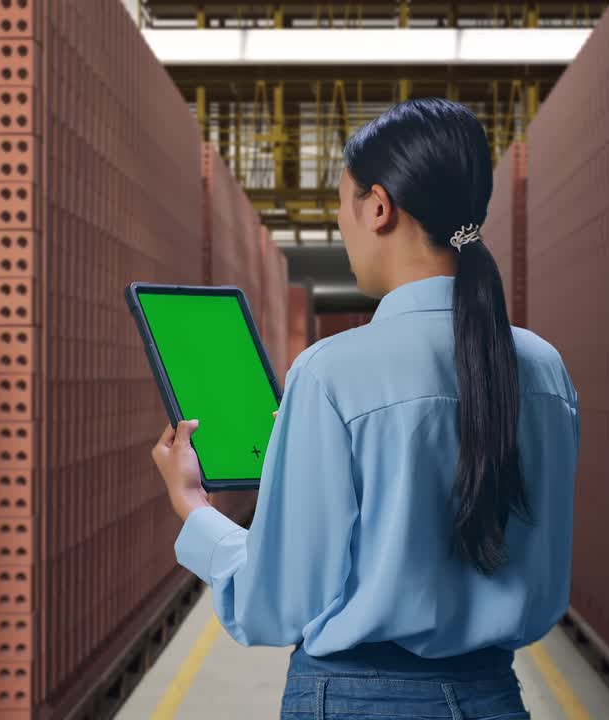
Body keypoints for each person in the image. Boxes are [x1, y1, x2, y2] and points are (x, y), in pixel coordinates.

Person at [151, 97, 579, 720]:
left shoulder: (330, 374)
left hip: (355, 700)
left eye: (344, 208)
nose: (344, 231)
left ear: (378, 208)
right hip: (493, 698)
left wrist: (193, 509)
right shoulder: (546, 371)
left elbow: (273, 604)